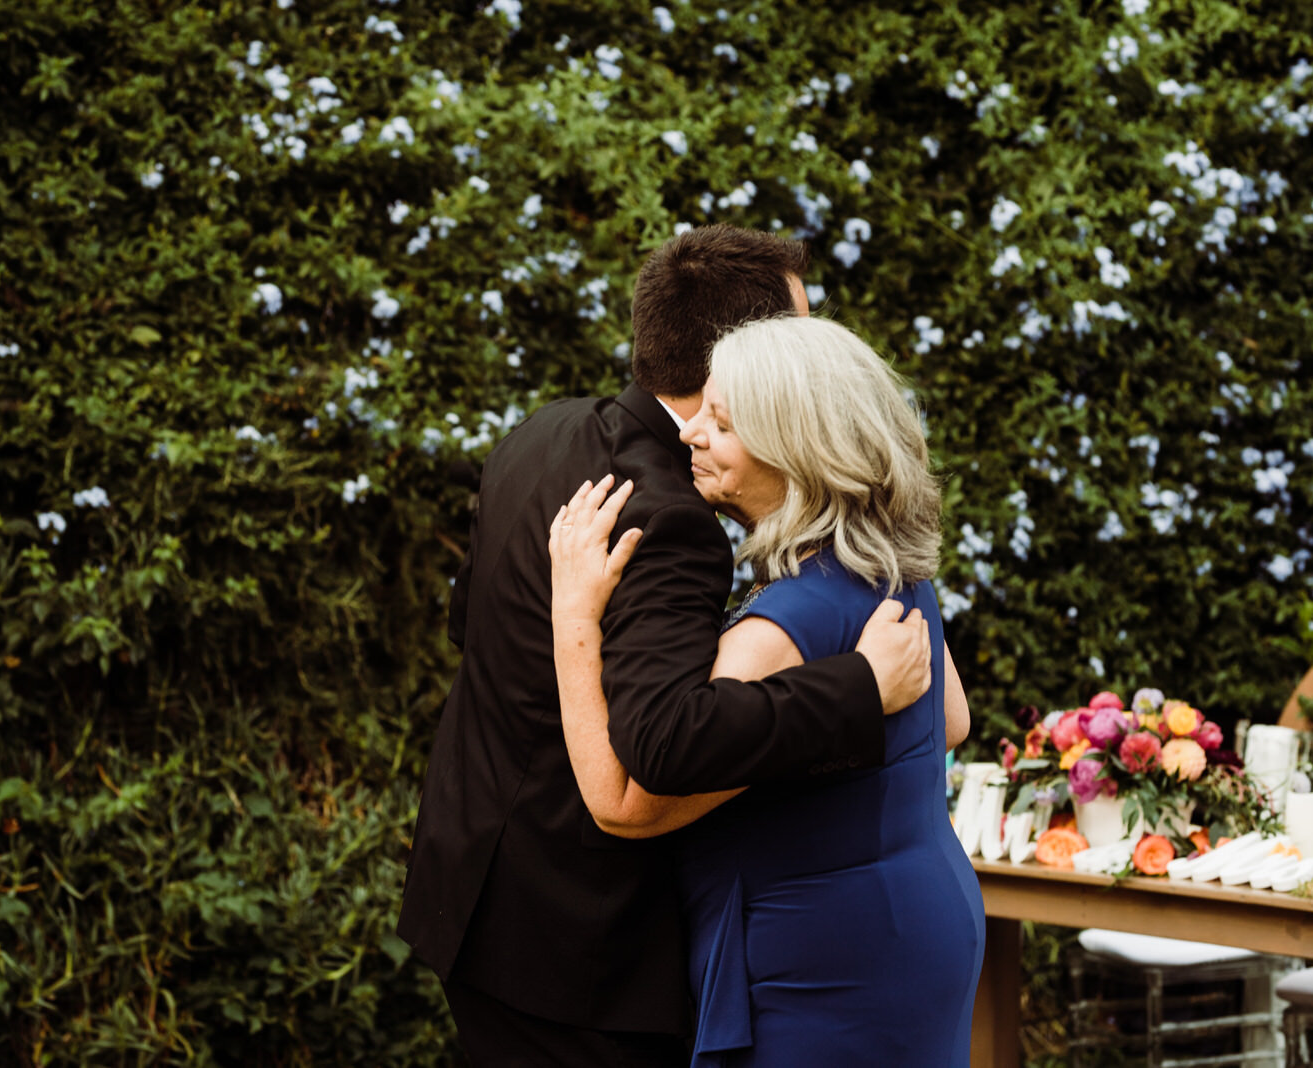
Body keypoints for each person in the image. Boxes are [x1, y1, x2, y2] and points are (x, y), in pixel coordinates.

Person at [397, 225, 935, 1066]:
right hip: (578, 945)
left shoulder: (545, 432)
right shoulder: (672, 518)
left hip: (470, 889)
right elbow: (669, 741)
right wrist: (860, 691)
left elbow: (469, 625)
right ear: (736, 359)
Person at [548, 314, 984, 1066]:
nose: (690, 434)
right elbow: (949, 720)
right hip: (921, 915)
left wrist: (572, 614)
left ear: (793, 448)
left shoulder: (782, 627)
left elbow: (625, 802)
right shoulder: (888, 567)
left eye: (722, 424)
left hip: (819, 962)